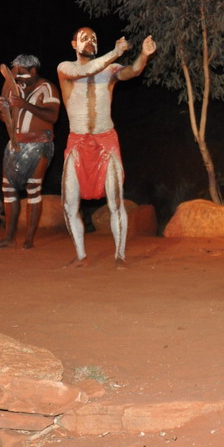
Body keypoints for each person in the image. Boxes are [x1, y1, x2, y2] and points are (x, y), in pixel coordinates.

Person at [57, 27, 157, 268]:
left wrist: (144, 55)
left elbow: (132, 71)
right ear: (74, 44)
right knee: (69, 204)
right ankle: (81, 255)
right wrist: (115, 52)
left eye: (94, 38)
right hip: (78, 142)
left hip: (106, 141)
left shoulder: (110, 70)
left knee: (116, 201)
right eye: (84, 38)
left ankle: (119, 255)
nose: (90, 41)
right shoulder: (66, 69)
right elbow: (87, 70)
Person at [0, 54, 61, 250]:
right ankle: (9, 237)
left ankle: (29, 238)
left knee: (33, 188)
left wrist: (25, 105)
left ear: (33, 71)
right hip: (15, 144)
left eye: (20, 72)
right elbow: (7, 119)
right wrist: (3, 110)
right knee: (8, 189)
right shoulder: (15, 89)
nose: (17, 75)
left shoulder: (47, 87)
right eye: (15, 72)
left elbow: (53, 116)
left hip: (39, 144)